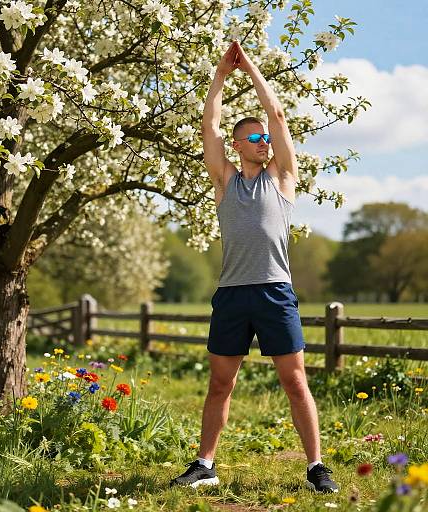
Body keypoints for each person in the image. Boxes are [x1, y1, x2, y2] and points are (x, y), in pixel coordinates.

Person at [169, 41, 339, 494]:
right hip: (231, 294)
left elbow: (278, 115)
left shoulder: (282, 177)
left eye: (267, 137)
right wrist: (221, 76)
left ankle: (315, 467)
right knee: (220, 383)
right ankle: (205, 464)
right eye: (256, 137)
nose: (265, 141)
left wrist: (252, 68)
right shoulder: (225, 180)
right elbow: (210, 125)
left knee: (295, 379)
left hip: (274, 291)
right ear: (239, 145)